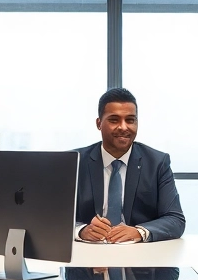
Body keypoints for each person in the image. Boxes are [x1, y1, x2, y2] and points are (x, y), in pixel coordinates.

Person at [74, 87, 186, 243]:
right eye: (114, 120)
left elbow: (175, 220)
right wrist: (81, 230)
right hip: (86, 255)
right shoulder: (76, 161)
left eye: (130, 120)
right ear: (99, 123)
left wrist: (139, 232)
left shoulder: (157, 163)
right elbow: (53, 216)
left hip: (141, 256)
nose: (123, 127)